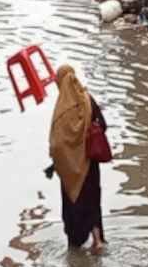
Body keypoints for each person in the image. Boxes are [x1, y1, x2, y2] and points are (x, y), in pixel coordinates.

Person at [45, 66, 107, 251]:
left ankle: (75, 246)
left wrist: (58, 162)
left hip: (70, 170)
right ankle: (98, 241)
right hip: (90, 164)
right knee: (93, 202)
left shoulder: (61, 111)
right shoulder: (88, 100)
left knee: (74, 206)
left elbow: (57, 144)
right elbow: (103, 125)